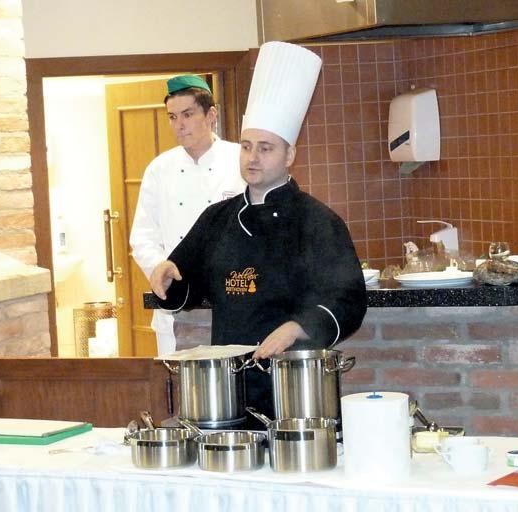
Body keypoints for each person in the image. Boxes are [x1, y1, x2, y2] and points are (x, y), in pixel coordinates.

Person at [150, 42, 367, 418]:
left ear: (290, 155)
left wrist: (298, 326)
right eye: (247, 146)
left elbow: (348, 298)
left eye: (265, 148)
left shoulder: (317, 221)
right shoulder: (217, 218)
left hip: (296, 384)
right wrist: (167, 276)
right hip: (228, 386)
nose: (252, 158)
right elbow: (185, 284)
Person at [129, 75, 244, 356]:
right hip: (176, 300)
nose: (179, 125)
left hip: (231, 298)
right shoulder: (159, 169)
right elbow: (143, 236)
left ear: (211, 115)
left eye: (188, 114)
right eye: (172, 117)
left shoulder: (240, 160)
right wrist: (160, 270)